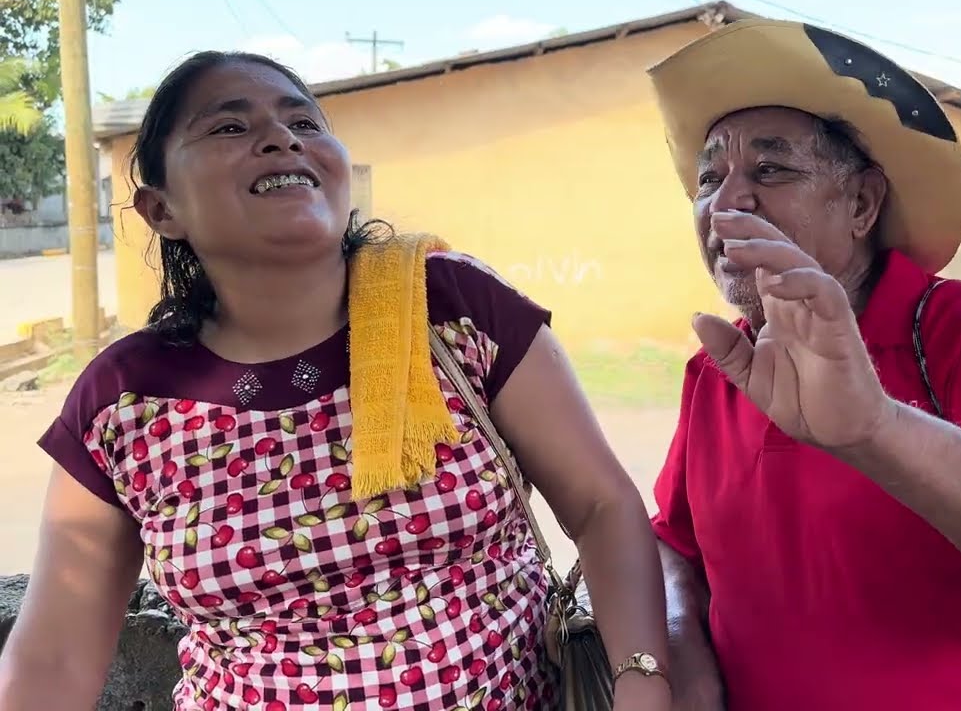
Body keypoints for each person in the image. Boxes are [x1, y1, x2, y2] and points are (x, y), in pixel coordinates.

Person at [0, 51, 671, 711]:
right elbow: (55, 657)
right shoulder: (124, 399)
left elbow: (601, 506)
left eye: (305, 123)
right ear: (161, 210)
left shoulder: (451, 308)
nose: (281, 138)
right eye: (230, 127)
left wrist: (642, 679)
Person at [643, 18, 961, 711]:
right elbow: (676, 543)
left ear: (861, 203)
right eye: (710, 178)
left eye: (770, 169)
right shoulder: (717, 370)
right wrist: (680, 642)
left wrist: (875, 430)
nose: (727, 202)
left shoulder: (957, 329)